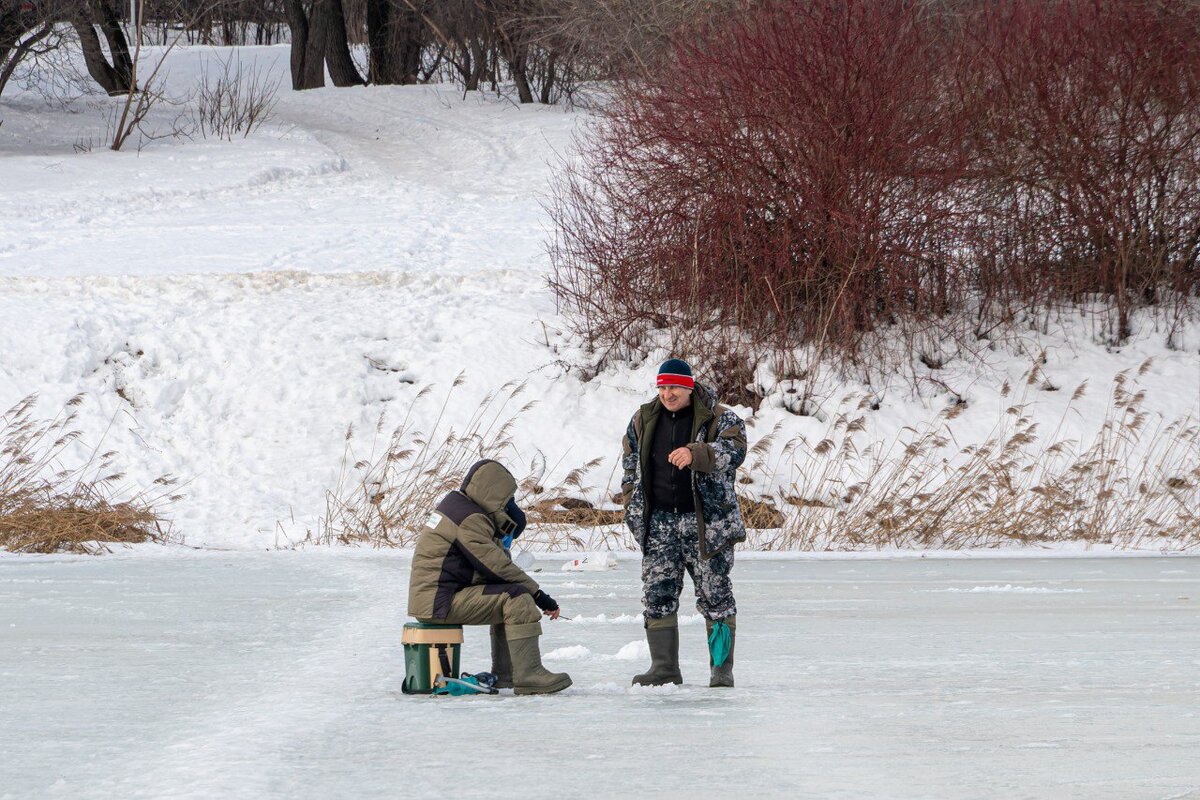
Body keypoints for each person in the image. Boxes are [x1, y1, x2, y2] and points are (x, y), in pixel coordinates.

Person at [621, 358, 747, 687]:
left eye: (674, 386)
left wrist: (696, 453)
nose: (667, 393)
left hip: (706, 523)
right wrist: (629, 500)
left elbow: (734, 451)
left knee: (715, 597)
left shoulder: (721, 417)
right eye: (662, 387)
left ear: (689, 386)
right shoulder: (643, 419)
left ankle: (721, 671)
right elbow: (630, 462)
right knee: (656, 595)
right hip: (659, 524)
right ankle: (663, 669)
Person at [407, 458, 571, 695]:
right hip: (439, 602)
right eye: (506, 502)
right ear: (494, 495)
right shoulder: (470, 519)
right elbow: (498, 567)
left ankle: (507, 674)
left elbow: (488, 568)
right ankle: (528, 675)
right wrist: (539, 596)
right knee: (518, 599)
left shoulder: (458, 508)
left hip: (436, 597)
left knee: (507, 593)